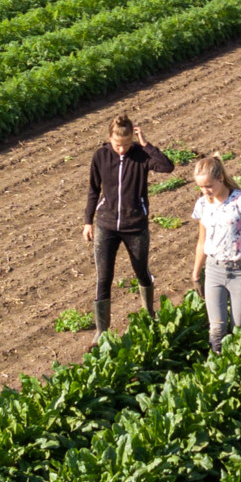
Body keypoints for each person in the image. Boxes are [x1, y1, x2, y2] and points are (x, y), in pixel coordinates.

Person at [84, 113, 175, 332]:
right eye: (117, 144)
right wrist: (88, 221)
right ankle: (101, 332)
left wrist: (145, 144)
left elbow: (167, 167)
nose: (122, 149)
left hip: (135, 226)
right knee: (104, 277)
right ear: (109, 138)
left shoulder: (141, 156)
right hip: (106, 225)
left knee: (141, 271)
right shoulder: (101, 156)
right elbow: (93, 190)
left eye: (126, 144)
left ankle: (149, 314)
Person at [188, 155, 241, 352]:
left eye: (208, 186)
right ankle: (218, 365)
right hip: (214, 270)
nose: (205, 191)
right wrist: (196, 274)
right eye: (201, 187)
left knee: (240, 326)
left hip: (239, 270)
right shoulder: (203, 204)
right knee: (217, 328)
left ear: (220, 178)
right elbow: (202, 241)